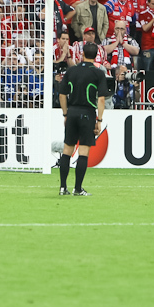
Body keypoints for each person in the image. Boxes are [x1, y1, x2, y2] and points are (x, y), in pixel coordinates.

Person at [58, 41, 107, 196]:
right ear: (97, 55)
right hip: (87, 114)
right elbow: (101, 99)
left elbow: (62, 94)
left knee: (67, 151)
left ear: (82, 54)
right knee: (83, 152)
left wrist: (66, 114)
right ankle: (78, 189)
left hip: (72, 112)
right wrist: (99, 120)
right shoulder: (98, 73)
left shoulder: (72, 71)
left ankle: (62, 188)